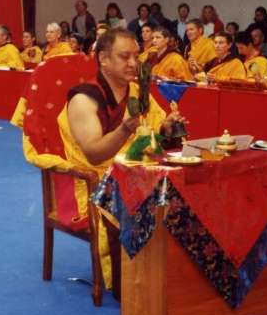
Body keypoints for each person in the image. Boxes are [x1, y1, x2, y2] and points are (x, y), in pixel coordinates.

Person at [60, 28, 184, 296]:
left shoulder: (138, 91)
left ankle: (173, 276)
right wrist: (124, 130)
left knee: (183, 195)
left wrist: (167, 128)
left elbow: (149, 138)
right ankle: (133, 283)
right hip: (99, 183)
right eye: (124, 57)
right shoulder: (84, 99)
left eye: (135, 56)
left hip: (137, 173)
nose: (133, 64)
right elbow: (94, 153)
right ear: (103, 59)